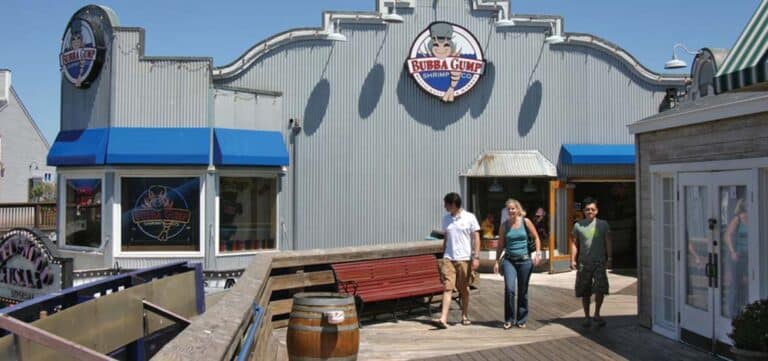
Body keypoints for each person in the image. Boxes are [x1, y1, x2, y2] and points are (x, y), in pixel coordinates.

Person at [493, 198, 542, 329]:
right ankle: (509, 319)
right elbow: (500, 245)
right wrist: (497, 261)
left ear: (518, 209)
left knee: (523, 290)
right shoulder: (504, 225)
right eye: (508, 209)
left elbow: (536, 237)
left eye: (513, 208)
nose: (511, 211)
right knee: (509, 289)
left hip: (525, 260)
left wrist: (538, 253)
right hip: (509, 260)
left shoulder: (526, 222)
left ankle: (521, 319)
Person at [434, 192, 480, 329]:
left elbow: (476, 237)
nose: (445, 207)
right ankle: (443, 318)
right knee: (448, 287)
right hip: (449, 258)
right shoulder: (446, 219)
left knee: (463, 289)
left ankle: (464, 315)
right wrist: (443, 254)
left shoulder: (469, 217)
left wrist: (476, 257)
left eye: (446, 204)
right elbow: (446, 238)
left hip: (464, 258)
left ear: (453, 204)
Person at [570, 197, 612, 328]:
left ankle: (597, 314)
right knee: (585, 291)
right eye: (587, 209)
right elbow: (574, 243)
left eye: (592, 209)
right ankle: (587, 317)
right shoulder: (578, 225)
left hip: (599, 262)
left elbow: (608, 241)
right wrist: (572, 259)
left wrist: (609, 258)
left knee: (600, 289)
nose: (590, 211)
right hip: (584, 263)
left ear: (597, 211)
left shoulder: (603, 224)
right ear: (583, 211)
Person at [724, 198, 748, 318]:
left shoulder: (754, 218)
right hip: (739, 256)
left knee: (748, 283)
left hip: (750, 257)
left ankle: (747, 311)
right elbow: (727, 235)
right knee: (736, 285)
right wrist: (733, 251)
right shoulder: (738, 219)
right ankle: (733, 314)